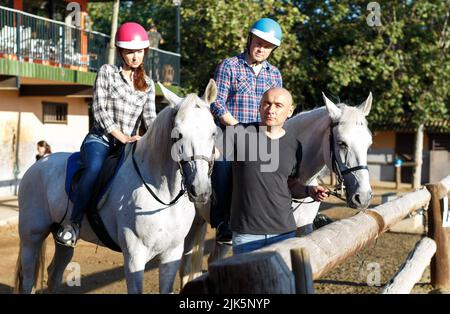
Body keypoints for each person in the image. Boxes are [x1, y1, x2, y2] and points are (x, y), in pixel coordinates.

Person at [55, 22, 157, 247]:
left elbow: (150, 120)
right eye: (130, 51)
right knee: (93, 168)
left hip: (130, 145)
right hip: (100, 140)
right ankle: (73, 224)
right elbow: (100, 112)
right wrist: (122, 137)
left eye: (139, 51)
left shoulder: (148, 84)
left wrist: (154, 137)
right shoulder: (107, 72)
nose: (135, 56)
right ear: (121, 51)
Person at [227, 87, 328, 254]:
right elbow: (208, 152)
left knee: (282, 280)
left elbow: (291, 184)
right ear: (259, 107)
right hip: (247, 234)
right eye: (266, 104)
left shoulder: (295, 145)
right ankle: (220, 221)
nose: (271, 110)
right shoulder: (239, 134)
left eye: (278, 105)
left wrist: (309, 190)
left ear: (290, 111)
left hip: (284, 232)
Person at [210, 18, 283, 244]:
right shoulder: (229, 66)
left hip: (262, 135)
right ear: (249, 39)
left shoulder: (275, 75)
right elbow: (216, 103)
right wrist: (236, 126)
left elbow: (278, 105)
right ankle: (224, 222)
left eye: (267, 46)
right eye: (258, 43)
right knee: (223, 164)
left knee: (283, 166)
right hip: (230, 131)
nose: (261, 48)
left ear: (273, 49)